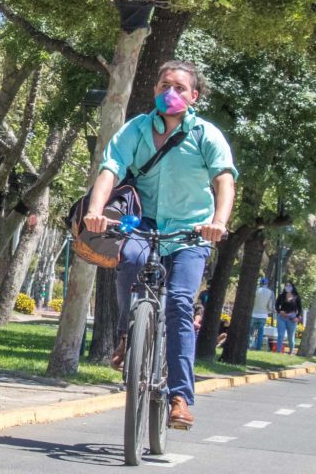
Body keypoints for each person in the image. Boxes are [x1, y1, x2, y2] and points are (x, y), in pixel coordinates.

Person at [82, 60, 237, 430]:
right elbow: (110, 169)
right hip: (145, 223)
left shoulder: (206, 135)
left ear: (193, 95)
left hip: (191, 232)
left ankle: (180, 398)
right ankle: (125, 333)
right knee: (130, 259)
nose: (171, 92)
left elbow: (224, 181)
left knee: (182, 303)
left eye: (180, 87)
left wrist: (218, 222)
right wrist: (95, 210)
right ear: (154, 90)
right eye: (165, 84)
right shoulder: (136, 129)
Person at [275, 282, 302, 355]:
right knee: (281, 335)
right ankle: (278, 351)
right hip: (282, 318)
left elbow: (300, 309)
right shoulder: (281, 296)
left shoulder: (296, 297)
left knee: (291, 337)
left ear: (292, 287)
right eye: (286, 286)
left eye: (289, 285)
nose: (287, 287)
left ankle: (291, 352)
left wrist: (297, 318)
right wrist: (280, 311)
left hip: (292, 319)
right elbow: (277, 305)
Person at [250, 277, 274, 351]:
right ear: (267, 284)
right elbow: (271, 304)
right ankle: (258, 348)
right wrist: (270, 310)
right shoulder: (270, 292)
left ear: (260, 283)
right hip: (263, 315)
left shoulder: (255, 290)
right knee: (260, 333)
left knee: (250, 332)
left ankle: (248, 346)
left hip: (254, 313)